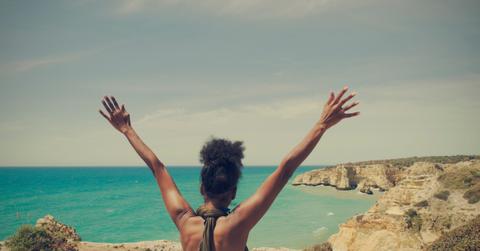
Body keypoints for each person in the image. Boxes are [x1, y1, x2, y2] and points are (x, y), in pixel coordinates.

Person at [99, 86, 359, 251]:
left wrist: (127, 130)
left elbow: (158, 168)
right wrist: (321, 125)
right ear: (233, 193)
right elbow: (285, 170)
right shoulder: (237, 223)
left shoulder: (184, 223)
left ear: (202, 187)